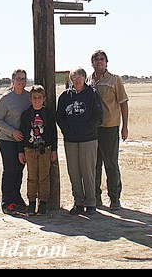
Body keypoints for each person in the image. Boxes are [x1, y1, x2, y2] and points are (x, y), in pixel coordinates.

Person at [56, 67, 103, 215]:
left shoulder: (92, 94)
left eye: (80, 77)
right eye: (74, 78)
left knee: (88, 171)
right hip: (70, 140)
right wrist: (66, 130)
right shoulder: (65, 96)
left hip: (88, 139)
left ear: (84, 79)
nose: (77, 80)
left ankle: (91, 202)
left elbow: (98, 116)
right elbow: (59, 117)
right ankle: (78, 202)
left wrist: (87, 130)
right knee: (74, 172)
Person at [88, 49, 129, 210]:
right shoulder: (88, 80)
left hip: (110, 127)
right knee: (94, 165)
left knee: (111, 164)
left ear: (106, 62)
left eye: (102, 59)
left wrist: (124, 127)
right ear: (92, 62)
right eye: (96, 59)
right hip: (92, 129)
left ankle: (115, 198)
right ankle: (95, 197)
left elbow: (123, 103)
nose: (99, 61)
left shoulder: (114, 80)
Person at [0, 68, 31, 216]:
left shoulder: (28, 97)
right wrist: (12, 131)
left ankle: (17, 198)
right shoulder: (6, 98)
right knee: (10, 170)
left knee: (19, 170)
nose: (21, 81)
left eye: (24, 79)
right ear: (13, 80)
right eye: (19, 79)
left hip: (22, 141)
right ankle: (7, 202)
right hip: (7, 140)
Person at [18, 85, 58, 216]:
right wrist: (20, 151)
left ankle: (43, 203)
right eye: (34, 97)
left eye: (39, 97)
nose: (37, 100)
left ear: (44, 99)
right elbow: (22, 133)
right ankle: (31, 202)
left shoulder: (48, 114)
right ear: (30, 99)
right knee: (32, 177)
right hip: (29, 150)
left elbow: (53, 133)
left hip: (45, 149)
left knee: (44, 177)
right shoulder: (25, 115)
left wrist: (54, 150)